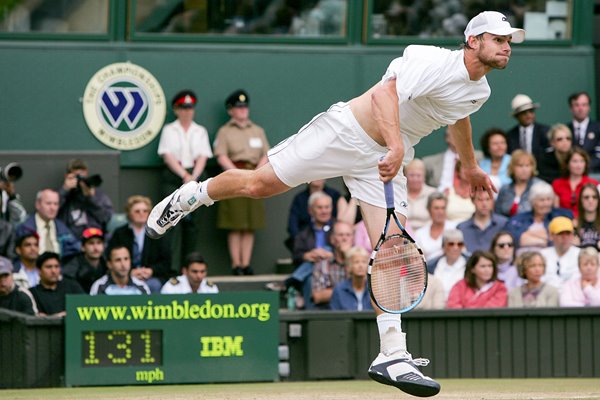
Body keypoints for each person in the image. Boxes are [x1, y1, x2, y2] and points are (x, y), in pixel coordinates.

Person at [146, 11, 526, 397]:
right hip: (346, 133)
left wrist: (471, 166)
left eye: (509, 40)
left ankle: (392, 354)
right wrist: (396, 146)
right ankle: (191, 195)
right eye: (499, 39)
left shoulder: (481, 91)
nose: (507, 46)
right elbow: (383, 94)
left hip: (384, 159)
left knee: (393, 251)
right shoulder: (432, 61)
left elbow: (459, 118)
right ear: (473, 41)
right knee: (258, 185)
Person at [213, 89, 270, 275]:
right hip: (235, 175)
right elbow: (221, 155)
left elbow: (266, 154)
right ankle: (236, 264)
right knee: (235, 223)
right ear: (231, 110)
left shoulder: (257, 130)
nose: (243, 110)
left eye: (245, 106)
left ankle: (246, 264)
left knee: (250, 223)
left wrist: (257, 171)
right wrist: (235, 173)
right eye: (239, 107)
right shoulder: (225, 131)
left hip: (256, 175)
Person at [157, 89, 213, 272]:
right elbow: (167, 155)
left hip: (195, 178)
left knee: (192, 226)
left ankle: (187, 268)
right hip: (174, 177)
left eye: (190, 108)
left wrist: (193, 178)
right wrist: (184, 176)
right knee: (171, 222)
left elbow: (204, 156)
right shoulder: (169, 130)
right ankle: (170, 268)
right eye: (183, 108)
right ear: (176, 109)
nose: (187, 111)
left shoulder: (200, 131)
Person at [108, 196, 171, 293]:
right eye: (137, 211)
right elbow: (110, 257)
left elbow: (166, 261)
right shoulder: (119, 233)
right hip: (124, 276)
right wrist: (130, 272)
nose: (142, 214)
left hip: (152, 277)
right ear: (129, 213)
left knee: (153, 285)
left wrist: (151, 271)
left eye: (145, 211)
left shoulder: (158, 233)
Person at [504, 181, 573, 253]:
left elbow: (569, 240)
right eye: (542, 200)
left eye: (548, 199)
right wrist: (545, 239)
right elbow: (511, 239)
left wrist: (528, 235)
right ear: (533, 202)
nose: (546, 203)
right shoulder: (519, 219)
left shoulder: (560, 216)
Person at [15, 189, 80, 261]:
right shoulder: (24, 228)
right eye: (48, 203)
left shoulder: (63, 229)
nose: (53, 208)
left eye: (56, 204)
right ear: (38, 205)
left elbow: (74, 251)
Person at [57, 158, 114, 239]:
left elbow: (106, 218)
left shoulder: (99, 195)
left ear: (86, 174)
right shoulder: (63, 195)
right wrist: (65, 190)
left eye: (82, 177)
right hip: (71, 241)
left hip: (94, 240)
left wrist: (91, 198)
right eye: (77, 177)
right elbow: (51, 212)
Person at [286, 179, 344, 250]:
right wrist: (302, 246)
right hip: (306, 244)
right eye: (319, 207)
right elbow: (292, 226)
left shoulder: (335, 195)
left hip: (333, 242)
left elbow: (343, 222)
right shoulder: (299, 198)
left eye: (327, 207)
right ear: (310, 210)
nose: (324, 211)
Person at [311, 221, 354, 309]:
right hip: (331, 312)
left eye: (348, 235)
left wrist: (348, 256)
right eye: (340, 235)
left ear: (353, 239)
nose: (344, 238)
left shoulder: (362, 261)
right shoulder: (322, 264)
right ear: (332, 239)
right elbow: (318, 296)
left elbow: (365, 292)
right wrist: (350, 290)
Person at [29, 251, 84, 317]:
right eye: (49, 267)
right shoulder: (32, 293)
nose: (53, 271)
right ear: (39, 270)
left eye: (56, 266)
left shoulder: (72, 286)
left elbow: (86, 308)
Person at [551, 147, 599, 217]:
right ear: (567, 164)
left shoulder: (594, 184)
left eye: (582, 161)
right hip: (563, 222)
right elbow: (556, 210)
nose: (579, 165)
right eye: (575, 161)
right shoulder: (557, 184)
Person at [495, 150, 542, 217]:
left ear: (532, 168)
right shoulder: (505, 189)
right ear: (512, 168)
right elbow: (497, 213)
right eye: (520, 166)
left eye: (527, 165)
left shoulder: (539, 187)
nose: (524, 169)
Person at [505, 93, 550, 164]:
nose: (528, 115)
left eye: (531, 111)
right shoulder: (510, 135)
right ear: (516, 116)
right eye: (523, 112)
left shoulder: (546, 131)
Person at [62, 227, 108, 293]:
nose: (96, 248)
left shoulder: (107, 264)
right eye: (91, 243)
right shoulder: (72, 268)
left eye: (99, 243)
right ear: (83, 247)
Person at [540, 216, 580, 290]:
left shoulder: (581, 255)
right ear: (551, 236)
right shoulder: (542, 255)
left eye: (568, 233)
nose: (565, 237)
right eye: (560, 233)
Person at [415, 192, 457, 262]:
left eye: (443, 208)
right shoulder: (420, 233)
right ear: (429, 210)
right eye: (436, 208)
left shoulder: (455, 228)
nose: (440, 212)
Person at [427, 229, 468, 301]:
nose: (456, 248)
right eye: (451, 244)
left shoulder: (471, 265)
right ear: (443, 247)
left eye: (460, 244)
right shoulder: (431, 266)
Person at [329, 246, 373, 311]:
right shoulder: (339, 290)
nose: (360, 265)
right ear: (348, 266)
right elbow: (335, 317)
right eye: (356, 262)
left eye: (364, 262)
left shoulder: (374, 290)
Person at [566, 91, 600, 171]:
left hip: (595, 173)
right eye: (577, 105)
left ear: (589, 107)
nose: (580, 108)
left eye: (584, 105)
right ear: (571, 108)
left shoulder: (598, 128)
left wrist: (582, 167)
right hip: (570, 174)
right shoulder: (565, 130)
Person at [404, 159, 436, 231]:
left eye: (418, 175)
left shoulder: (433, 194)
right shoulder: (400, 193)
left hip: (426, 234)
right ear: (405, 176)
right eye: (411, 175)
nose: (415, 179)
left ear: (424, 177)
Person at [574, 183, 600, 249]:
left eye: (594, 197)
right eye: (586, 197)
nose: (591, 200)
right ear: (581, 201)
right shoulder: (574, 224)